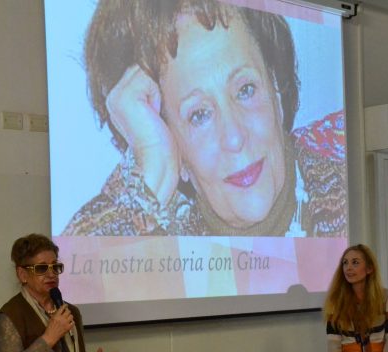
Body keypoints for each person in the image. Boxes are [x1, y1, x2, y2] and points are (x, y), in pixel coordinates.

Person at [62, 0, 346, 237]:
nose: (234, 137)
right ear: (175, 149)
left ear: (276, 94)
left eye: (246, 90)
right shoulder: (159, 244)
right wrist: (150, 178)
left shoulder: (347, 194)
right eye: (199, 115)